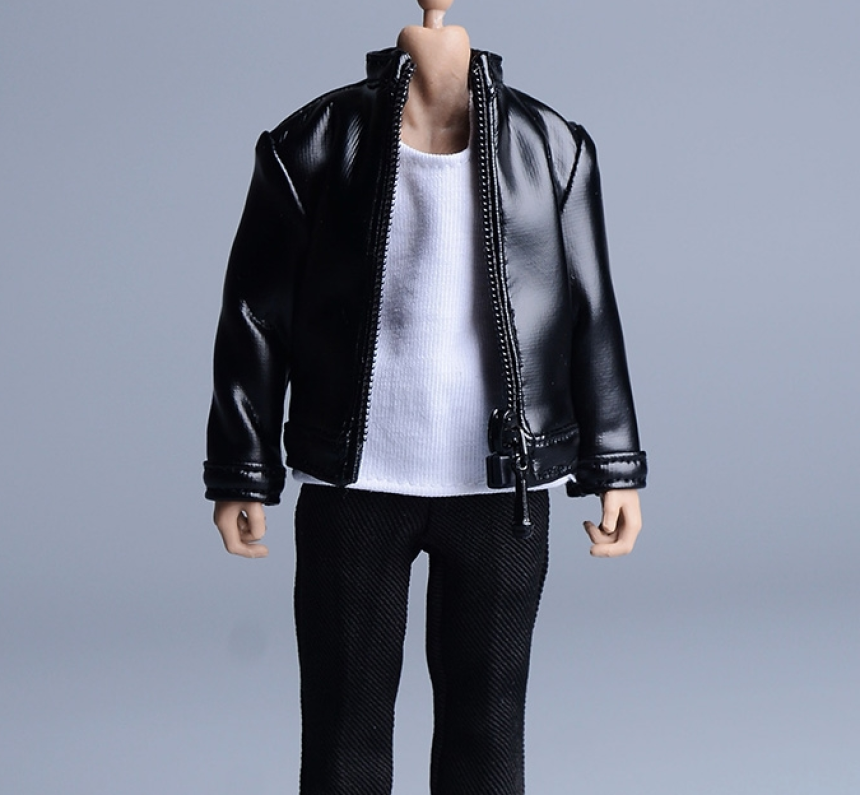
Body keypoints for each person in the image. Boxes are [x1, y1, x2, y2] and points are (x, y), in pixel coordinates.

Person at [204, 2, 647, 792]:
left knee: (489, 736)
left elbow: (590, 311)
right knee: (343, 734)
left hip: (501, 488)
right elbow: (255, 313)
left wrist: (614, 464)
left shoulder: (552, 147)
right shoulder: (312, 142)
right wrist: (244, 468)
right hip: (354, 483)